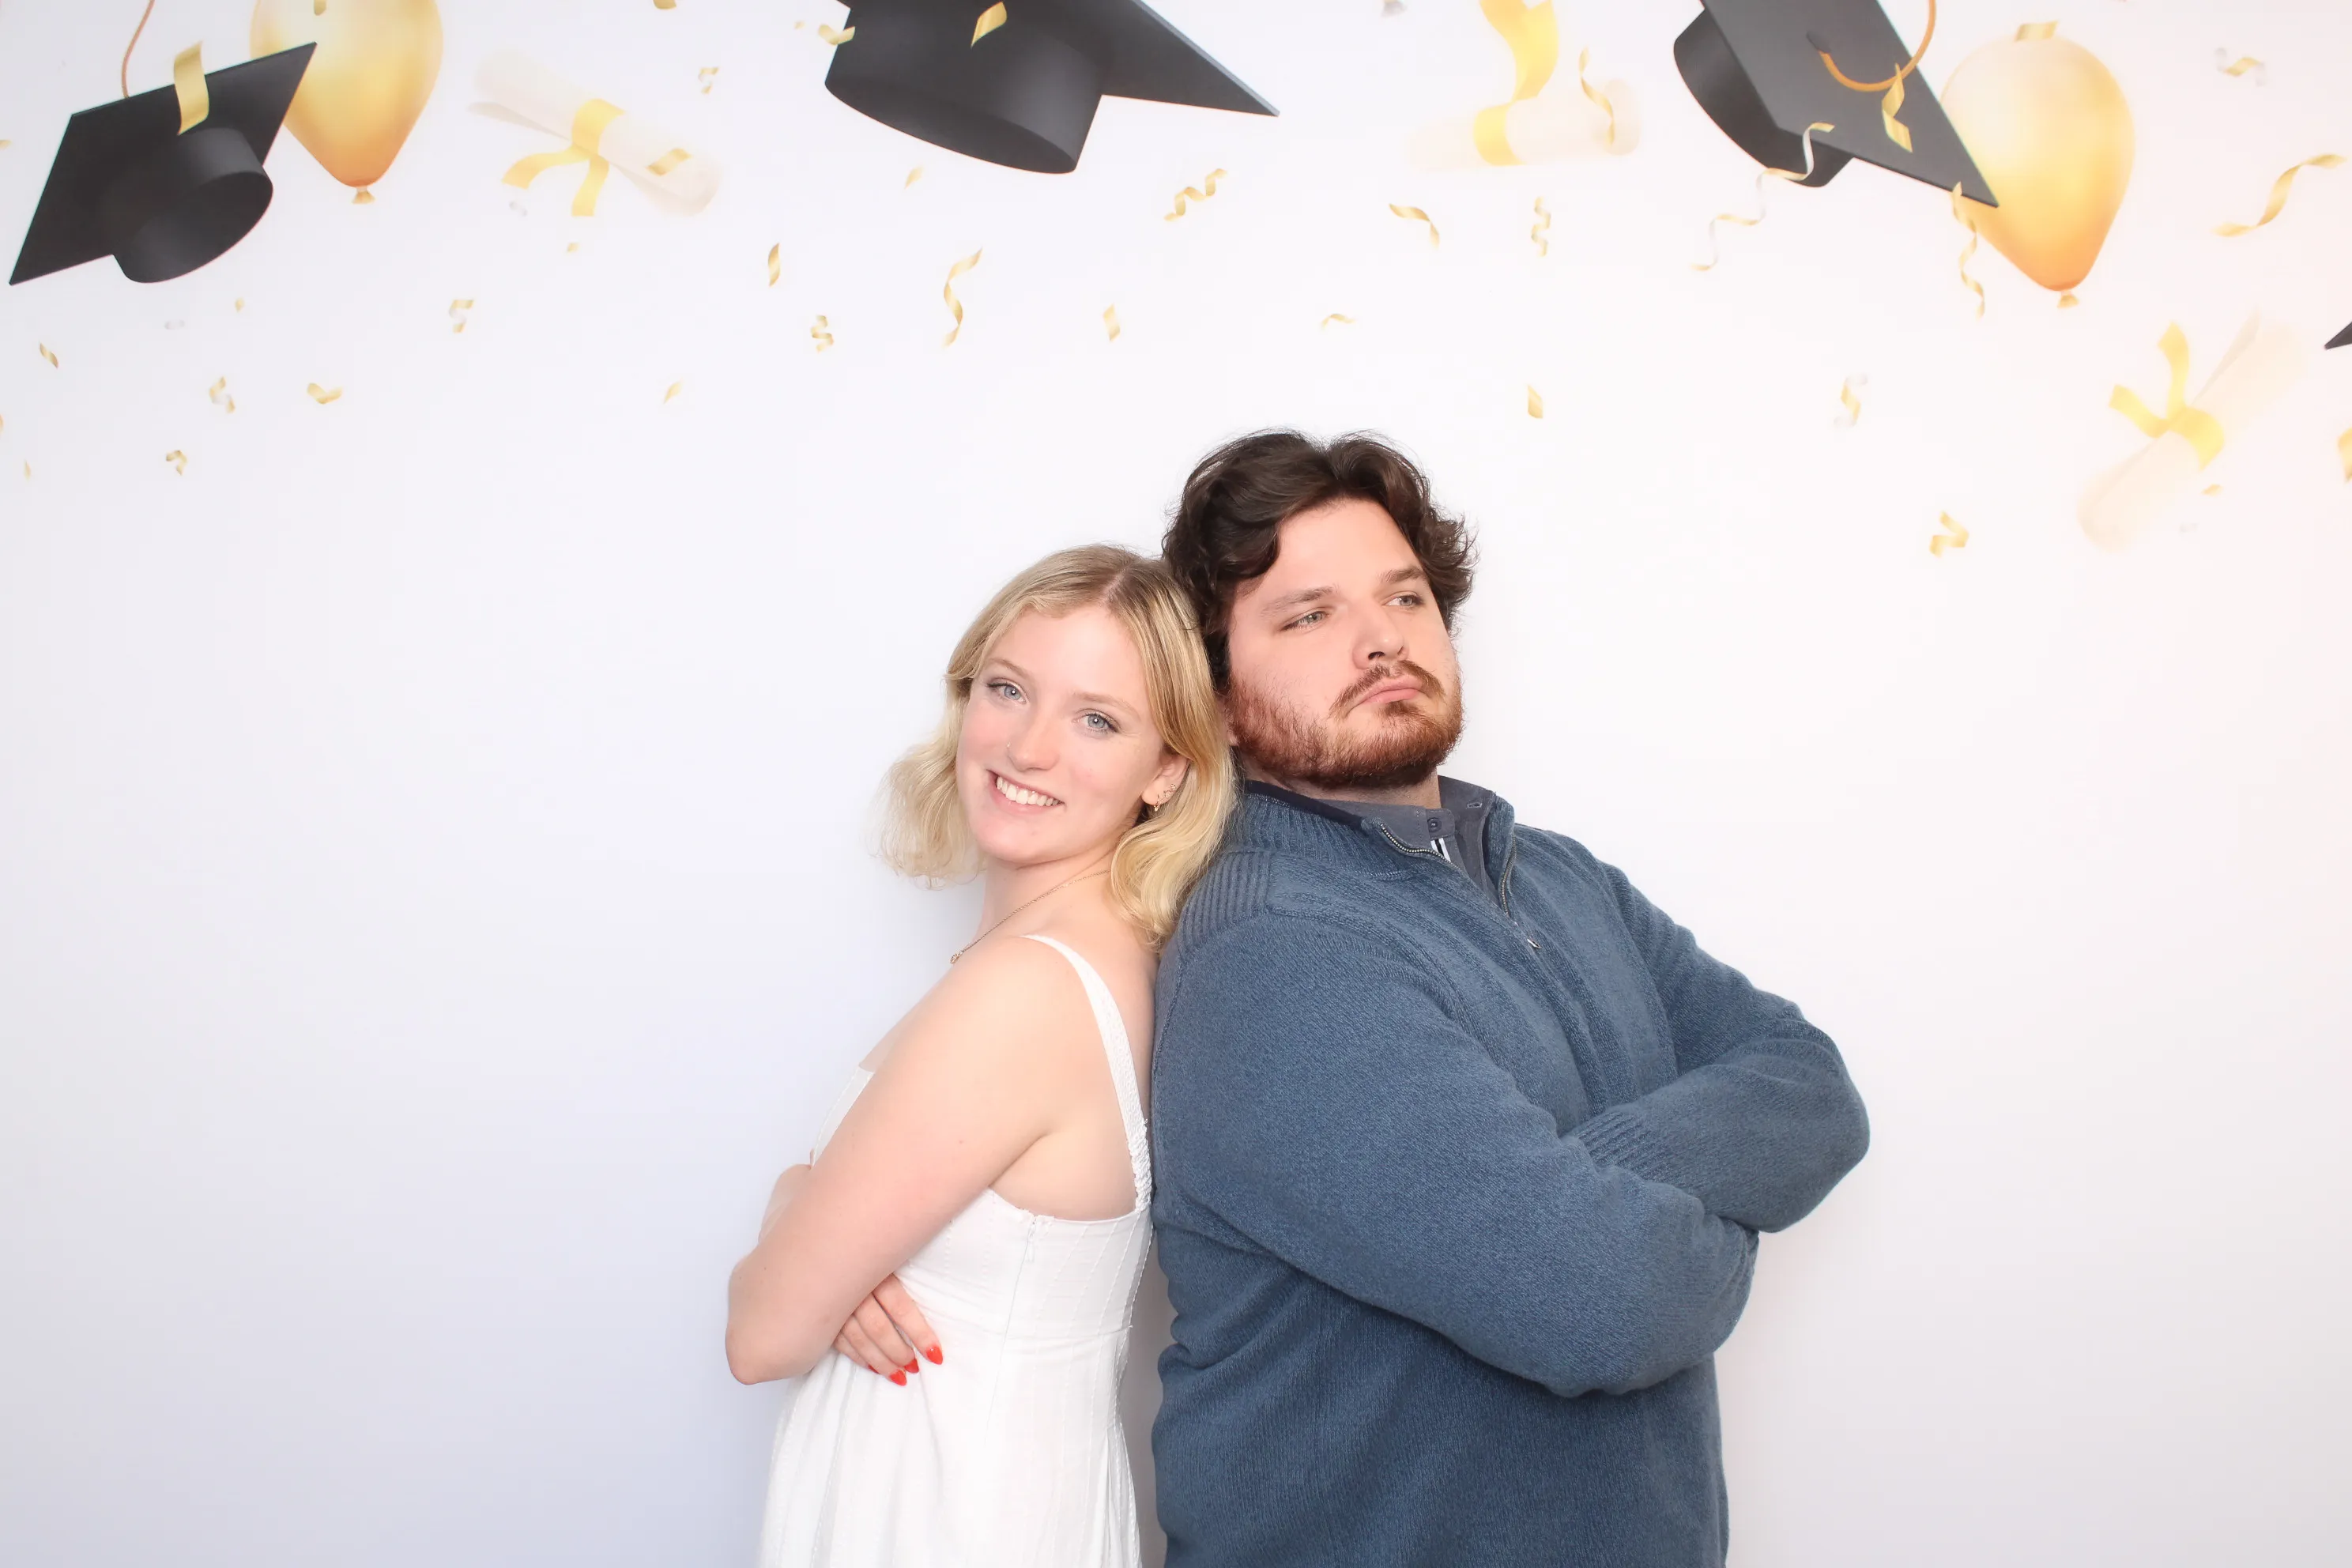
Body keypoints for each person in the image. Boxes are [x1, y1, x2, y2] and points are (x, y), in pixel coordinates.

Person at [1148, 432, 1871, 1566]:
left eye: (1405, 597)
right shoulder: (1272, 951)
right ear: (1220, 701)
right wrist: (1688, 1228)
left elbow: (1813, 1091)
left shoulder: (1560, 877)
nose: (1383, 637)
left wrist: (1601, 1182)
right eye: (1310, 615)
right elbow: (1605, 1303)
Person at [727, 545, 1234, 1568]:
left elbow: (761, 1335)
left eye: (1097, 720)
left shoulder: (1025, 991)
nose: (1029, 746)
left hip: (948, 1518)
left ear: (1168, 770)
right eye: (1008, 689)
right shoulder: (1090, 958)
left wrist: (794, 1204)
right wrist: (811, 1231)